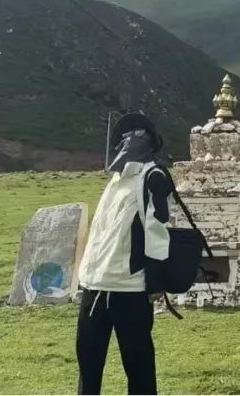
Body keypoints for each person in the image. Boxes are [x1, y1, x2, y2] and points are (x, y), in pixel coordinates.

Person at [76, 113, 173, 395]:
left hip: (130, 288)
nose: (128, 141)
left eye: (136, 135)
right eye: (125, 136)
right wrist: (84, 276)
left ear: (149, 141)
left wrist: (154, 283)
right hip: (94, 285)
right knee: (88, 365)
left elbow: (158, 232)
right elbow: (101, 231)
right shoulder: (115, 180)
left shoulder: (153, 177)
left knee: (139, 366)